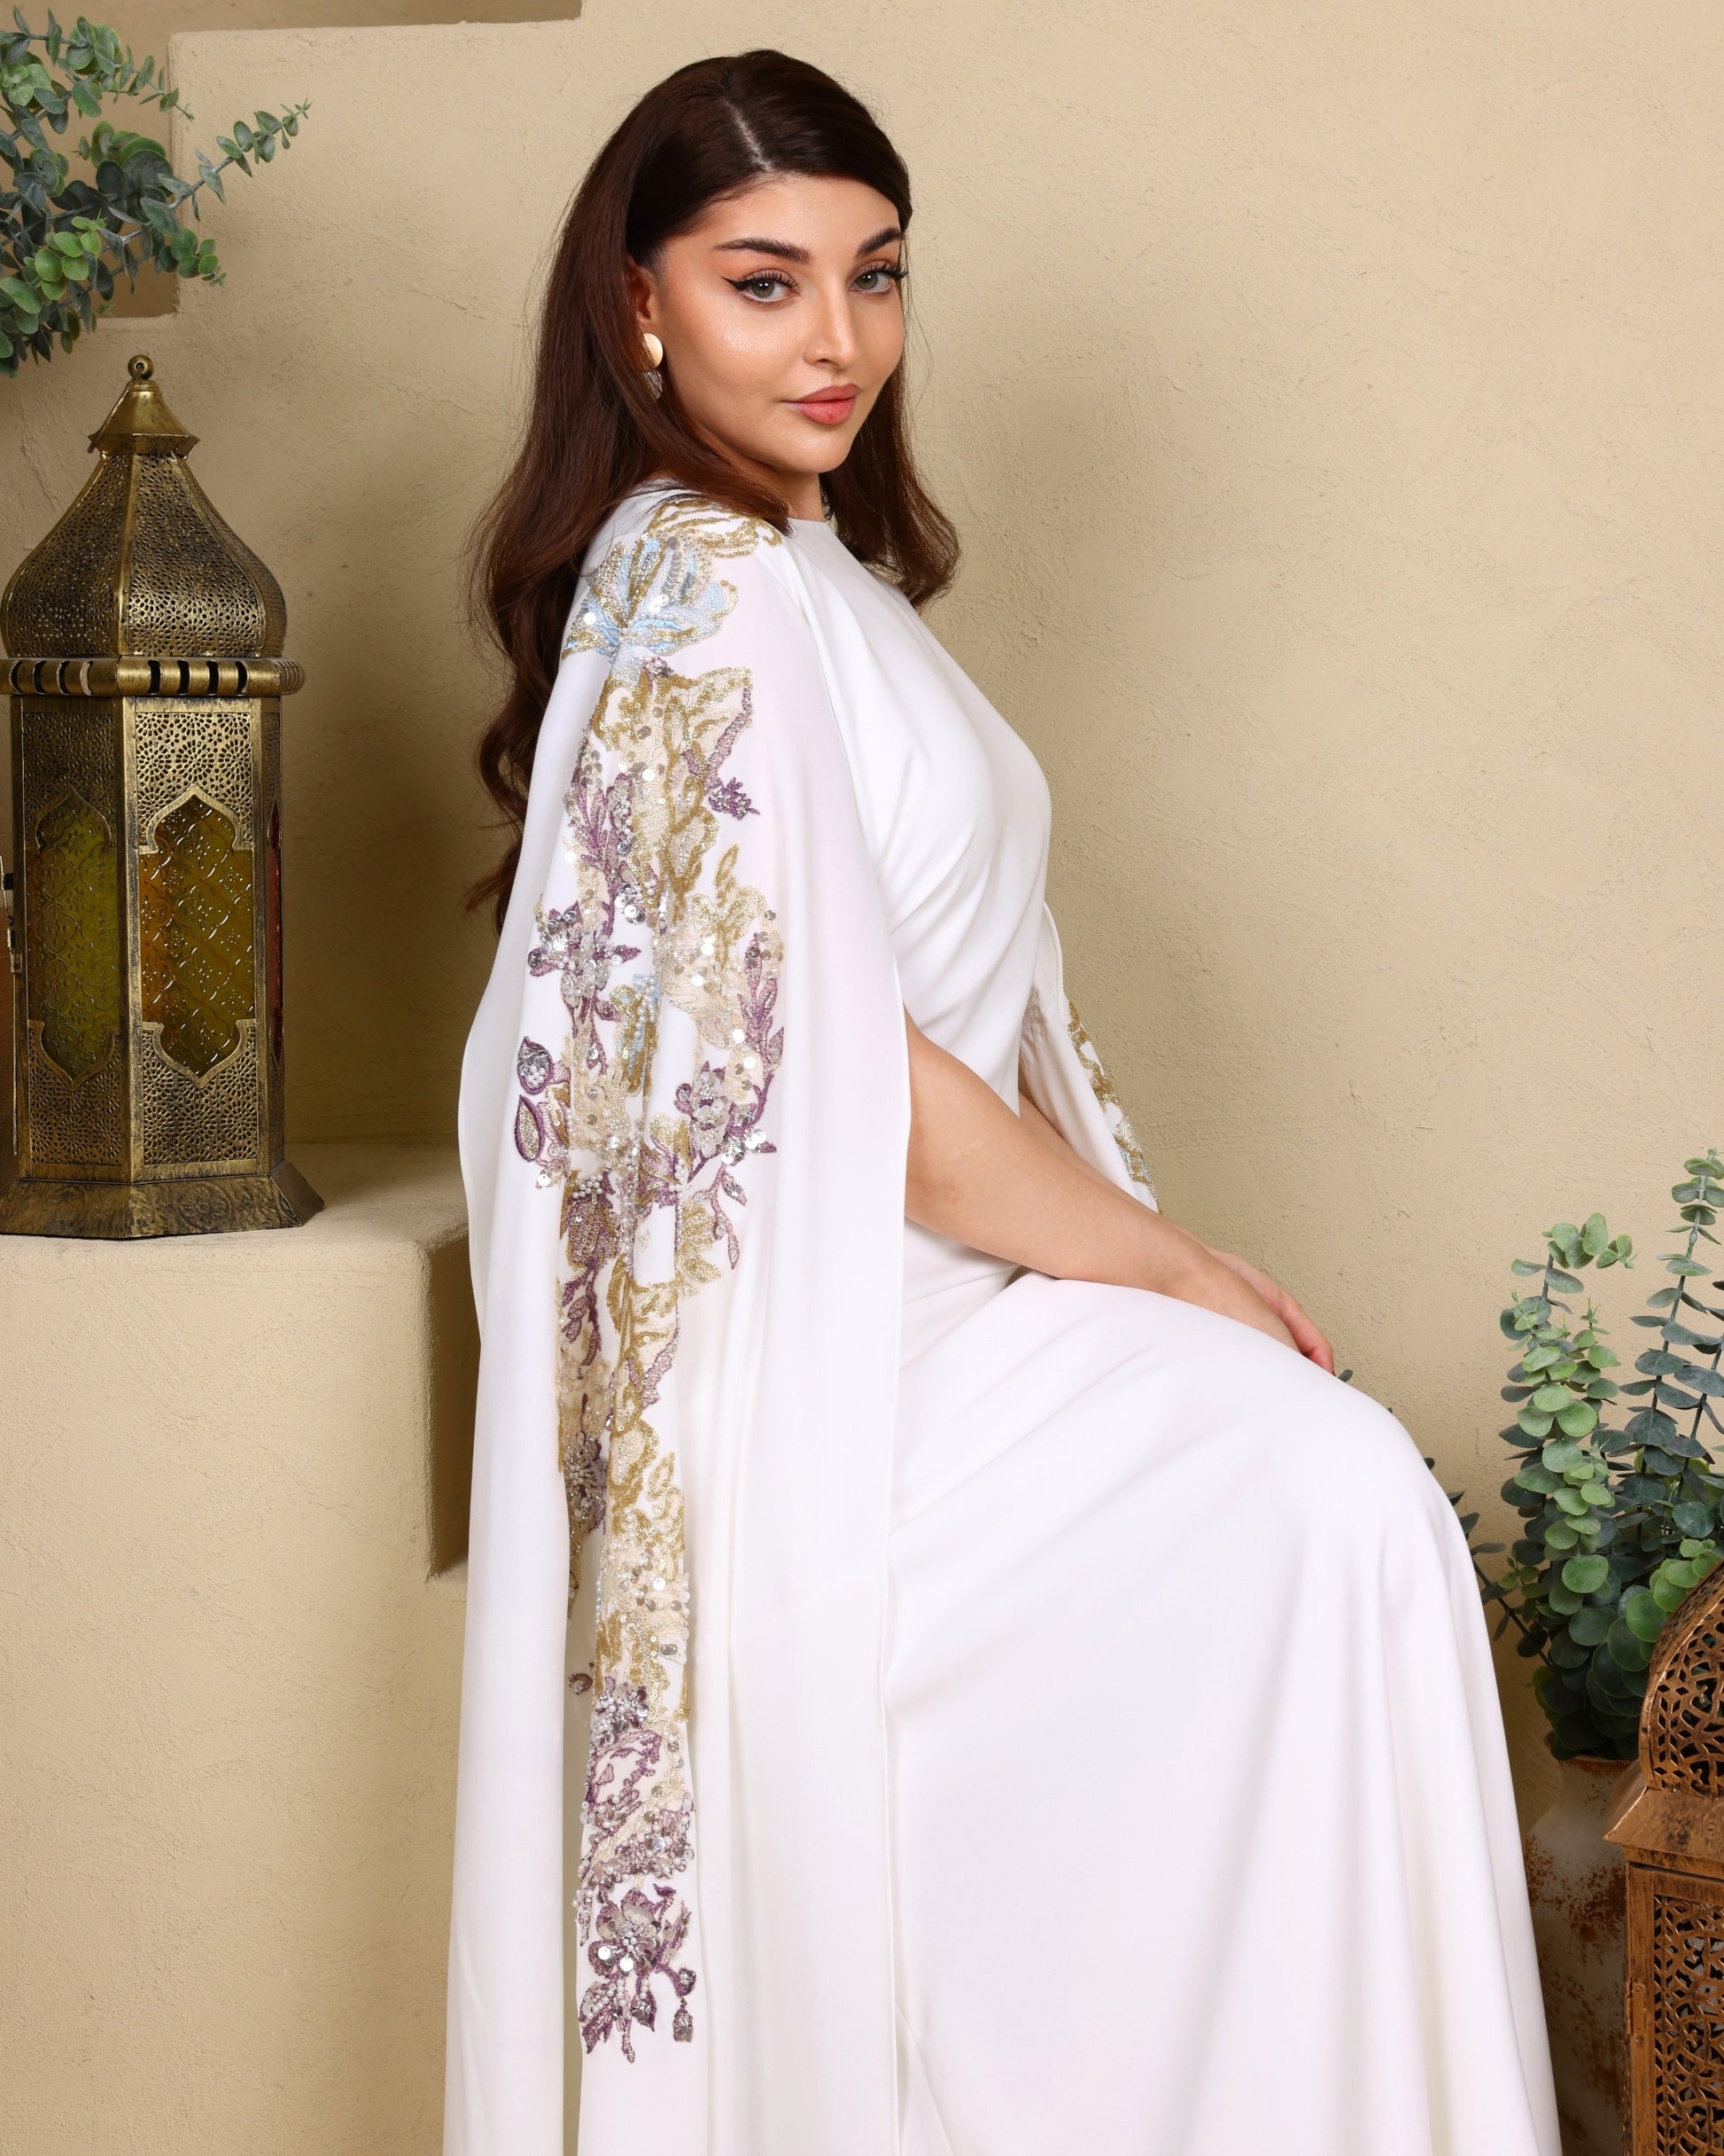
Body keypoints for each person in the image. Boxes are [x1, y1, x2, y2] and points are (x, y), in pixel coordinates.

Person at [445, 47, 1560, 2156]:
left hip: (951, 1307)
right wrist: (1172, 1268)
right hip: (845, 1362)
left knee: (1338, 1524)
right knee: (1328, 1507)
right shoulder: (694, 584)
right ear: (636, 304)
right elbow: (832, 1071)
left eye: (874, 277)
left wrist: (1150, 1272)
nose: (840, 338)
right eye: (764, 282)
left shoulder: (817, 582)